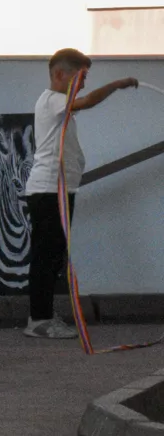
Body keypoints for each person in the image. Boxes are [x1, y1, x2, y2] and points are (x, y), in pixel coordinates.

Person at [22, 48, 138, 339]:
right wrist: (117, 84)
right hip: (48, 190)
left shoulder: (59, 106)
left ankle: (42, 314)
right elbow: (85, 102)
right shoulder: (51, 100)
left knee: (53, 256)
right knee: (47, 256)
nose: (84, 83)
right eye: (82, 76)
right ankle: (39, 320)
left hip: (60, 190)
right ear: (60, 74)